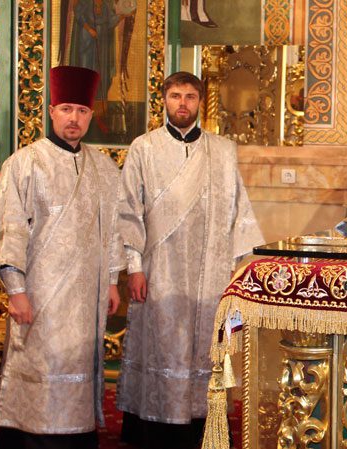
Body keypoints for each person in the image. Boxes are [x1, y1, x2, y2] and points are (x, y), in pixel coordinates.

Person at [116, 71, 263, 449]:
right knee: (161, 346)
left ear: (200, 102)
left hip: (210, 272)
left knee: (207, 352)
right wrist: (134, 267)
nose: (182, 104)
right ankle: (155, 432)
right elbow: (129, 211)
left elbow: (240, 212)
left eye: (190, 97)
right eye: (175, 96)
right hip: (160, 270)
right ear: (164, 100)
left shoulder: (223, 150)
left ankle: (204, 431)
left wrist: (240, 273)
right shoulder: (144, 148)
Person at [0, 66, 123, 449]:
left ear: (90, 115)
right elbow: (9, 228)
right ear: (51, 111)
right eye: (66, 109)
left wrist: (112, 281)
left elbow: (114, 228)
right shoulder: (25, 163)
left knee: (77, 374)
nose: (73, 118)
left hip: (84, 300)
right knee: (39, 372)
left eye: (81, 111)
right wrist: (16, 290)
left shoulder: (104, 168)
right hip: (40, 294)